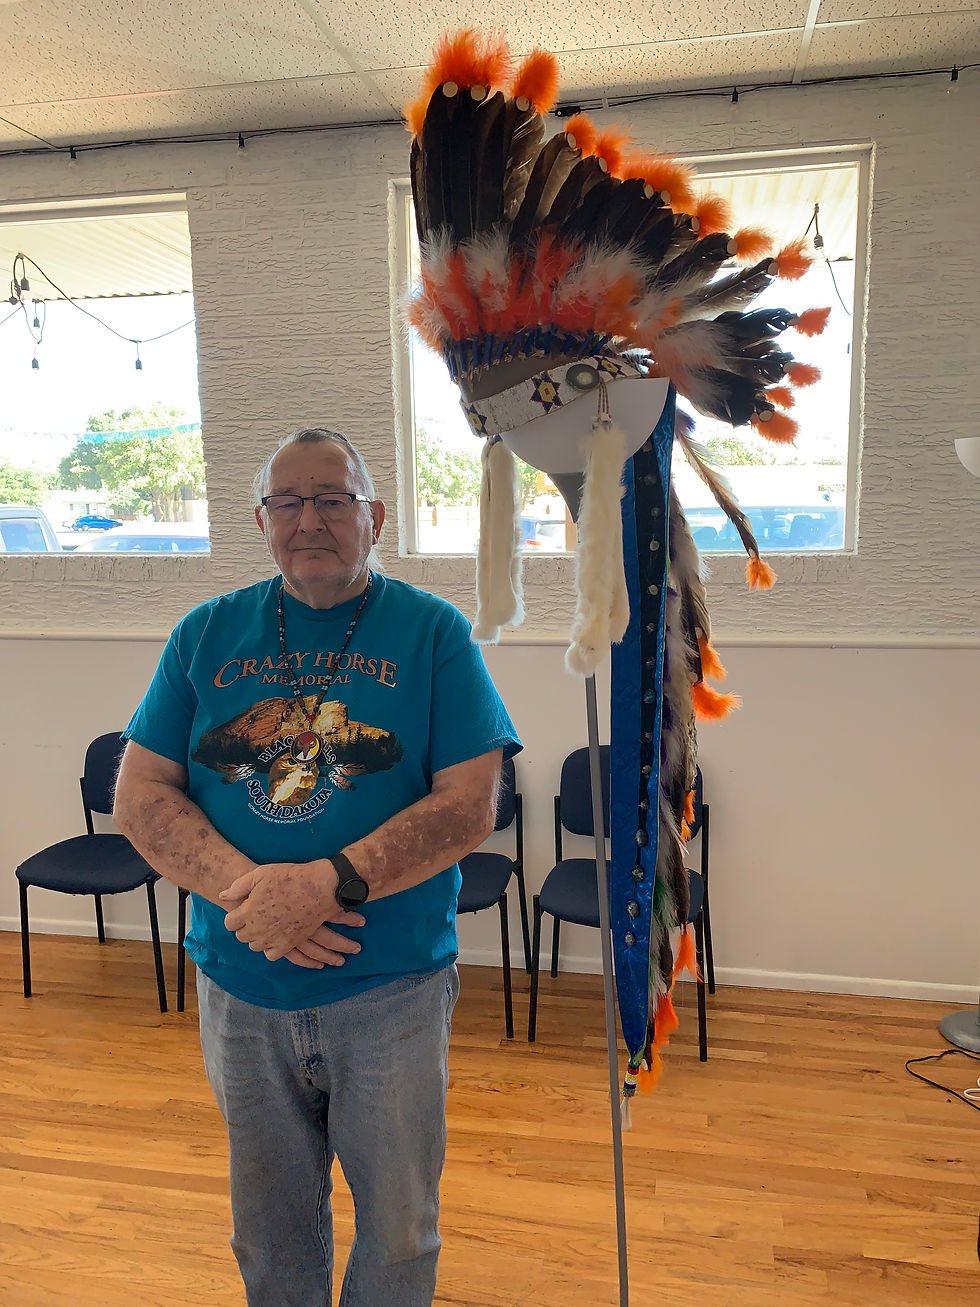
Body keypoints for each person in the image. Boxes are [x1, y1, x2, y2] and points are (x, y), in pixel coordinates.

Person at [113, 427, 522, 1307]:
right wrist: (253, 896)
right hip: (241, 982)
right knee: (268, 1232)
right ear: (261, 521)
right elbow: (141, 794)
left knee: (400, 1227)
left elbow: (469, 804)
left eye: (332, 499)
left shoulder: (434, 632)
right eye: (288, 501)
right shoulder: (204, 634)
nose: (310, 519)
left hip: (392, 992)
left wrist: (325, 884)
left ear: (374, 516)